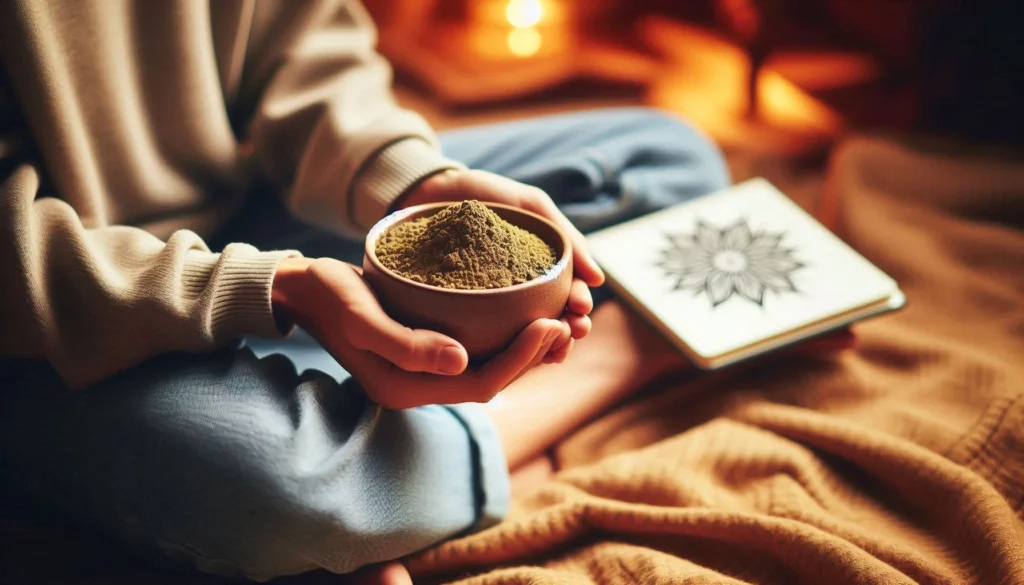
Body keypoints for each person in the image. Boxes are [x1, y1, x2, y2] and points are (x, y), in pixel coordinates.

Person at [0, 1, 730, 583]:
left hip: (240, 216)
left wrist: (412, 180)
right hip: (47, 327)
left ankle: (390, 477)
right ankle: (620, 359)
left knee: (668, 161)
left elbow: (304, 42)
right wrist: (272, 289)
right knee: (282, 491)